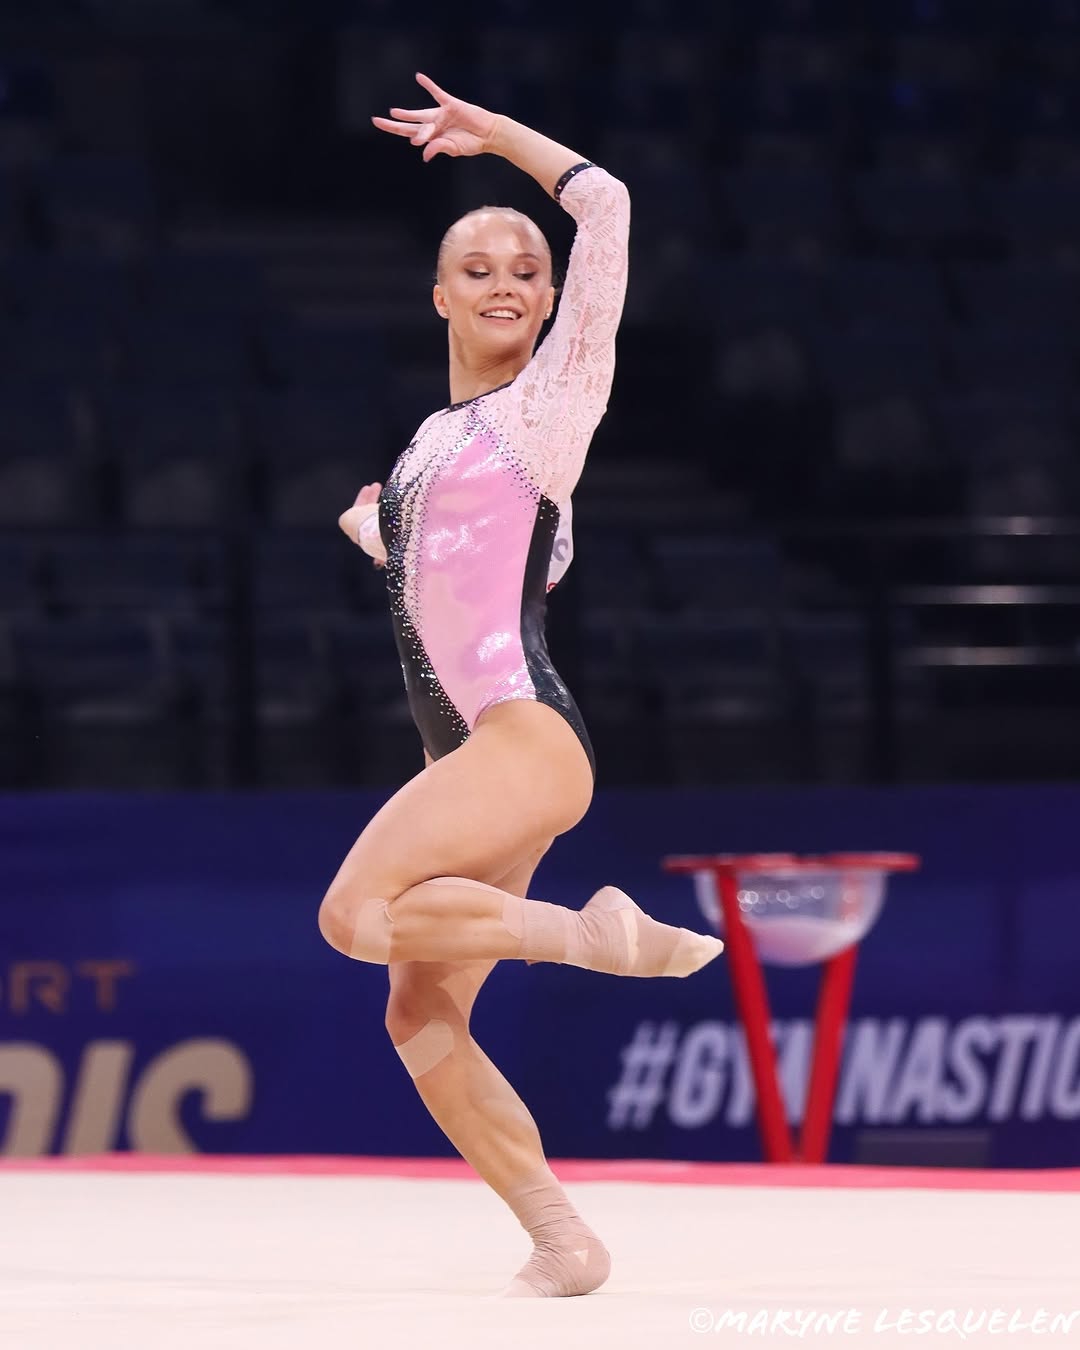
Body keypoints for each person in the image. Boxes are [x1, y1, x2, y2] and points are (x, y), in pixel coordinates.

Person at [320, 73, 724, 1299]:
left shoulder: (549, 405)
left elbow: (606, 206)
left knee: (352, 913)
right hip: (474, 758)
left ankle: (593, 937)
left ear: (552, 302)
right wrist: (380, 531)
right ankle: (561, 1237)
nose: (506, 282)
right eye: (479, 267)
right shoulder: (431, 442)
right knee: (417, 1014)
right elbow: (484, 567)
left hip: (518, 732)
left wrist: (496, 138)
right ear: (439, 293)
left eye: (527, 270)